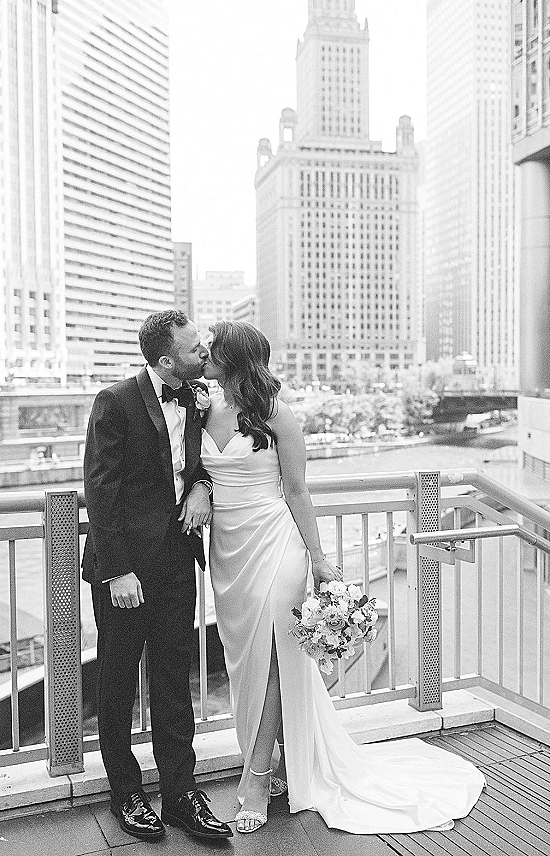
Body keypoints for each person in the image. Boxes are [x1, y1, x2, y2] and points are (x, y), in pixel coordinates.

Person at [201, 320, 485, 836]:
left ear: (234, 358)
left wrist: (319, 558)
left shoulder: (278, 416)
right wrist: (200, 488)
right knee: (244, 662)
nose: (204, 352)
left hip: (276, 543)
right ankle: (284, 761)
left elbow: (297, 491)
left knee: (274, 658)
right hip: (228, 552)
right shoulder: (202, 407)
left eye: (213, 348)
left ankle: (256, 778)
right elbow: (190, 470)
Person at [82, 310, 232, 842]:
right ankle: (125, 792)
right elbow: (100, 490)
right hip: (124, 568)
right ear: (166, 360)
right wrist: (118, 571)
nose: (204, 353)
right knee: (118, 679)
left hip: (175, 559)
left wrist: (202, 488)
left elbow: (200, 463)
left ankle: (180, 794)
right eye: (194, 349)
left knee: (172, 678)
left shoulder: (195, 397)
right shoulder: (114, 401)